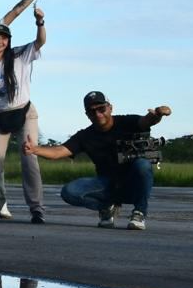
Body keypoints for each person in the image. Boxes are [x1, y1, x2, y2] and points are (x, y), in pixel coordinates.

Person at [25, 92, 172, 231]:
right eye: (92, 111)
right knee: (69, 192)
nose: (98, 114)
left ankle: (139, 212)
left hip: (133, 183)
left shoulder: (127, 122)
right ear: (87, 114)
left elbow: (146, 121)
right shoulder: (85, 135)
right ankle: (107, 206)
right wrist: (35, 149)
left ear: (110, 108)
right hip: (107, 184)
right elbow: (59, 151)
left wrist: (158, 113)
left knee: (143, 165)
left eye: (101, 108)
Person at [0, 4, 48, 223]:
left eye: (3, 38)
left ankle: (37, 208)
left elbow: (40, 42)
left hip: (24, 113)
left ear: (8, 41)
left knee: (29, 159)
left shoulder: (19, 54)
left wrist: (39, 22)